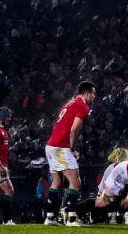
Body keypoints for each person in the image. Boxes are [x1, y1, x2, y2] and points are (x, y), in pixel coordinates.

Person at [44, 80, 97, 226]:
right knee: (75, 182)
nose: (94, 97)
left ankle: (50, 217)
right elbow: (74, 130)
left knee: (57, 182)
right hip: (61, 147)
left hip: (50, 146)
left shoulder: (69, 103)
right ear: (86, 93)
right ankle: (72, 219)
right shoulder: (83, 106)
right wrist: (72, 150)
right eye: (93, 94)